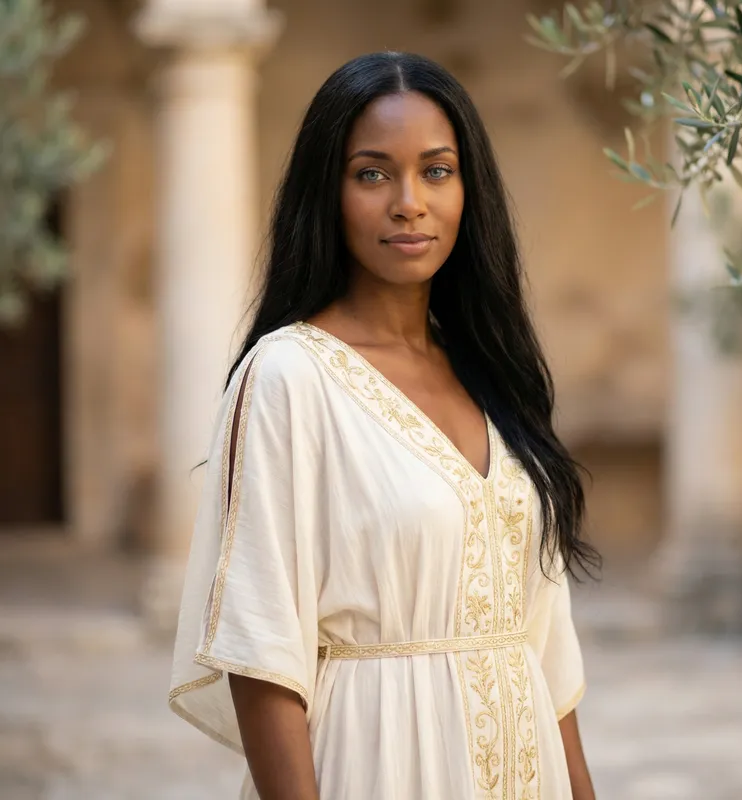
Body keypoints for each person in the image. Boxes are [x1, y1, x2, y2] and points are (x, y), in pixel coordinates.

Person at [169, 51, 600, 800]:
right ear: (327, 194)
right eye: (372, 173)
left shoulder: (493, 373)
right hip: (377, 765)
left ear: (470, 190)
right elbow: (260, 652)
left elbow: (548, 656)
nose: (409, 202)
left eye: (437, 170)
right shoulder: (289, 378)